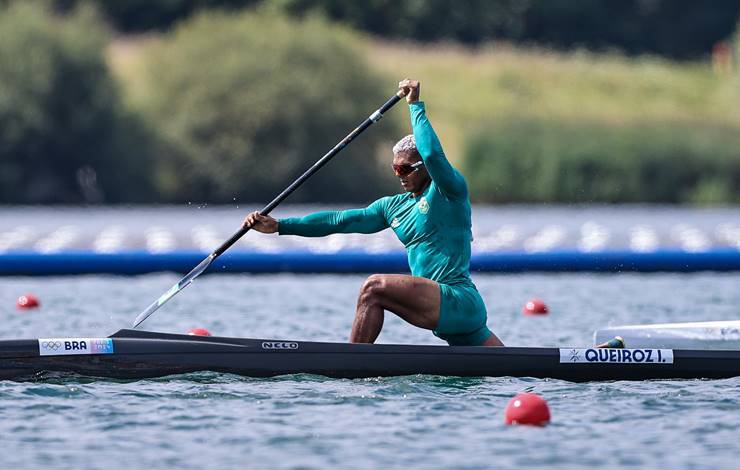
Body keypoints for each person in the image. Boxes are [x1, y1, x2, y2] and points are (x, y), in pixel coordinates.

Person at [244, 79, 504, 347]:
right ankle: (359, 361)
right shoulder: (393, 207)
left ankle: (350, 363)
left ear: (424, 167)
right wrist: (280, 226)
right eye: (395, 169)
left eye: (405, 169)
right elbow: (340, 221)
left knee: (373, 288)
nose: (399, 176)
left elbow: (434, 155)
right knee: (511, 371)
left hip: (457, 300)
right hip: (448, 316)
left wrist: (414, 105)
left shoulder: (448, 190)